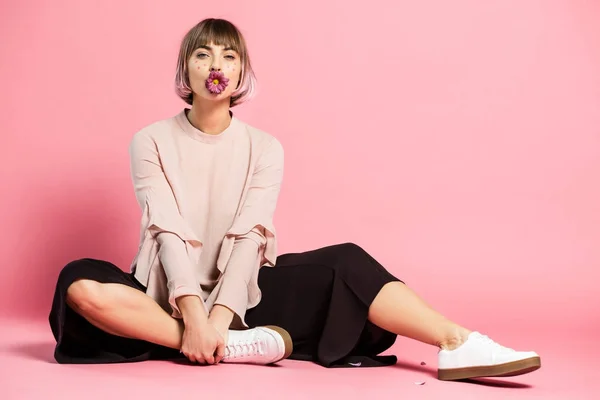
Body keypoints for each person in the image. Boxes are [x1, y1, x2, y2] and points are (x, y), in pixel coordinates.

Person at [49, 18, 541, 381]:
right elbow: (168, 227)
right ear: (187, 69)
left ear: (241, 73)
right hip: (161, 299)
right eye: (203, 54)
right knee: (78, 282)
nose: (215, 64)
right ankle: (227, 347)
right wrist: (195, 318)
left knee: (345, 262)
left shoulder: (265, 148)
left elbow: (250, 234)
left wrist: (220, 316)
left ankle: (457, 343)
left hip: (242, 297)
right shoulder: (150, 140)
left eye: (229, 55)